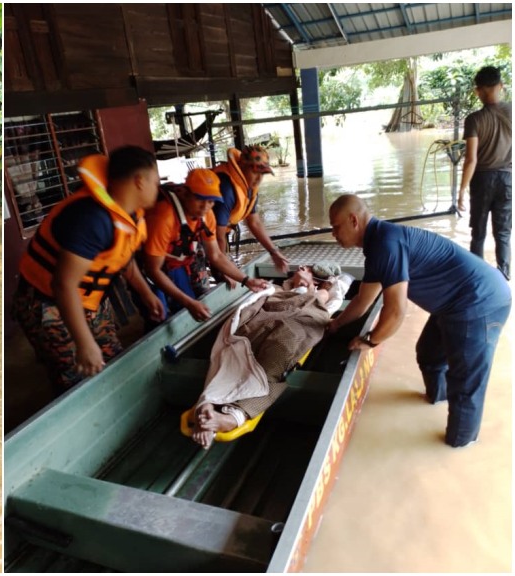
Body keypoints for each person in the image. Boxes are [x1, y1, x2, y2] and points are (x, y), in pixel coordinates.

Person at [326, 194, 511, 448]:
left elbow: (395, 313)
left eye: (336, 227)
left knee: (466, 385)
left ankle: (460, 444)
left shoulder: (386, 244)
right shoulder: (378, 245)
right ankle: (439, 399)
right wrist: (336, 324)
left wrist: (371, 341)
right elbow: (363, 301)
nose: (333, 234)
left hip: (479, 303)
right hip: (454, 304)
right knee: (429, 355)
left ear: (353, 220)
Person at [14, 146, 165, 395]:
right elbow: (63, 285)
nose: (157, 189)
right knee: (74, 375)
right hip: (47, 304)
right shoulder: (92, 218)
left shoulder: (129, 213)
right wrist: (84, 343)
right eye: (155, 182)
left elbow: (121, 257)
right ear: (139, 181)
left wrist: (146, 293)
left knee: (111, 358)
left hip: (89, 302)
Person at [189, 263, 352, 448]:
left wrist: (322, 289)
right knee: (233, 350)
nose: (301, 267)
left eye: (306, 269)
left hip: (295, 323)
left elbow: (324, 299)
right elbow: (258, 301)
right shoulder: (277, 289)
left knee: (274, 361)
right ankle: (207, 407)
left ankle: (231, 417)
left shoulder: (318, 294)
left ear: (315, 280)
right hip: (264, 317)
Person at [143, 168, 269, 324]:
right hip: (150, 267)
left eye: (211, 201)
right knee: (157, 313)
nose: (205, 206)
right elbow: (152, 270)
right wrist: (189, 303)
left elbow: (215, 255)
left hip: (176, 262)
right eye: (199, 198)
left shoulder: (207, 215)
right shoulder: (164, 217)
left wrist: (247, 280)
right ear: (184, 193)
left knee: (186, 307)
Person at [458, 65, 511, 280]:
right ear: (501, 86)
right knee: (503, 232)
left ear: (477, 91)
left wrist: (461, 191)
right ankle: (504, 276)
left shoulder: (474, 120)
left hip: (481, 180)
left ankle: (477, 277)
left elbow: (471, 159)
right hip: (507, 178)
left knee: (478, 232)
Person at [211, 145, 290, 274]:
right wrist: (224, 271)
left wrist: (274, 252)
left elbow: (254, 222)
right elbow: (217, 235)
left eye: (262, 174)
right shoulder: (226, 189)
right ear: (241, 167)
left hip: (219, 235)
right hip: (197, 236)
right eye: (255, 172)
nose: (259, 178)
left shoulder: (249, 188)